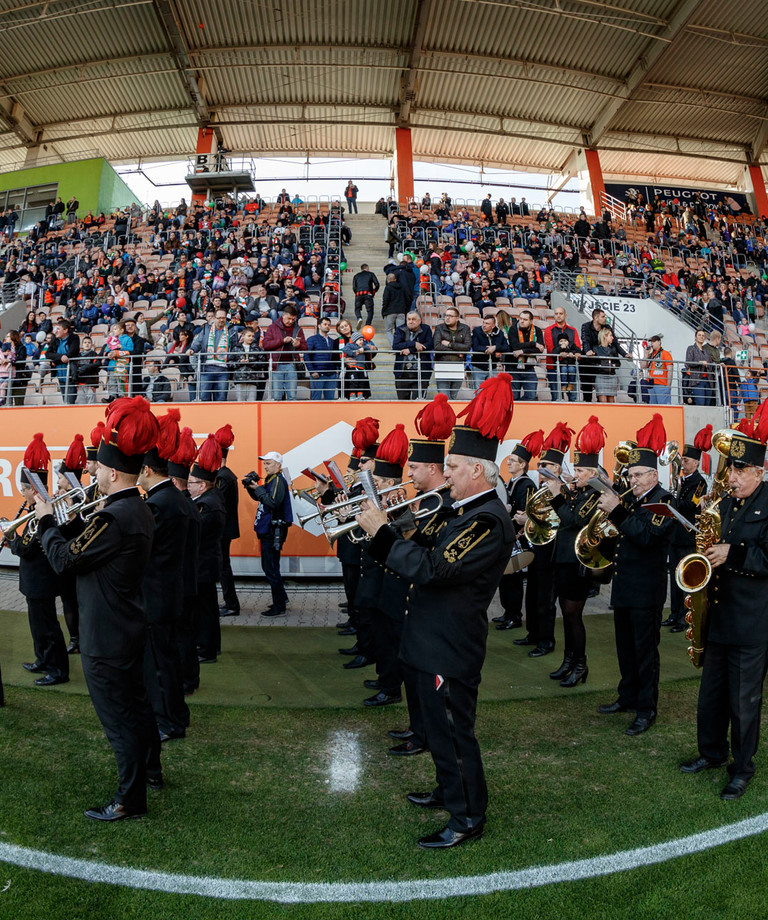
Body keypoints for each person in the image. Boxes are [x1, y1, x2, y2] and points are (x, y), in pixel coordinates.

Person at [356, 374, 515, 849]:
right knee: (439, 731)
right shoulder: (463, 510)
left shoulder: (486, 519)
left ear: (479, 473)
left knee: (453, 732)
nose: (445, 474)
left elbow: (432, 569)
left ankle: (467, 817)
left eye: (454, 466)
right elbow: (426, 546)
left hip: (450, 645)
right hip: (430, 641)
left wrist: (383, 533)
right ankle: (450, 791)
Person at [36, 397, 161, 820]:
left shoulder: (114, 516)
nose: (93, 474)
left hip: (105, 634)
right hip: (126, 626)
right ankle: (150, 771)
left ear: (110, 471)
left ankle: (130, 798)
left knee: (119, 720)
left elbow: (66, 560)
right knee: (137, 707)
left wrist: (47, 522)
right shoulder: (136, 508)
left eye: (97, 470)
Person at [680, 420, 768, 800]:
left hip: (751, 620)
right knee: (712, 694)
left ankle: (742, 766)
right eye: (730, 469)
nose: (731, 477)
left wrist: (734, 554)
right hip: (718, 613)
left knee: (743, 700)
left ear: (760, 471)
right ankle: (711, 752)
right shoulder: (725, 503)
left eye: (740, 470)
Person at [596, 414, 675, 735]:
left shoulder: (664, 501)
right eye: (630, 475)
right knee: (625, 648)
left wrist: (616, 510)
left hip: (647, 589)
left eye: (639, 475)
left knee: (645, 652)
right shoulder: (631, 500)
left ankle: (647, 708)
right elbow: (624, 535)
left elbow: (645, 537)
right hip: (625, 584)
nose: (633, 481)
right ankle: (627, 696)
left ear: (654, 474)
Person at [387, 396, 455, 755]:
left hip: (432, 602)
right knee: (412, 672)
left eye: (413, 467)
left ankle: (426, 735)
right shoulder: (427, 499)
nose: (409, 473)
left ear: (432, 468)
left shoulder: (442, 502)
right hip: (415, 600)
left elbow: (430, 550)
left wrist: (399, 529)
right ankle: (418, 728)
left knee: (426, 679)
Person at [137, 410, 191, 742]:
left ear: (145, 470)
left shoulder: (158, 503)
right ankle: (176, 715)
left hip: (156, 596)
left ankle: (169, 722)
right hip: (168, 593)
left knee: (160, 664)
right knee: (167, 660)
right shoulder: (172, 498)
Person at [544, 417, 607, 687]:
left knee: (573, 615)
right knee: (565, 613)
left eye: (581, 470)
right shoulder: (579, 493)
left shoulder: (594, 495)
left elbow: (572, 520)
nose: (576, 474)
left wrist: (558, 494)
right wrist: (566, 492)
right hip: (564, 559)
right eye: (577, 469)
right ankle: (569, 661)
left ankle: (580, 665)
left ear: (592, 474)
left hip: (577, 562)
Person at [7, 434, 69, 688]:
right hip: (35, 578)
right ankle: (42, 659)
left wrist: (10, 538)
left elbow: (28, 548)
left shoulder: (41, 510)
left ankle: (58, 669)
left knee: (47, 625)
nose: (21, 493)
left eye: (23, 489)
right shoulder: (36, 508)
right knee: (37, 623)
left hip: (41, 579)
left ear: (33, 488)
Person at [514, 423, 573, 659]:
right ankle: (534, 633)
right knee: (534, 593)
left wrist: (530, 517)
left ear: (557, 468)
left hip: (553, 550)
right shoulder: (541, 488)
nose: (541, 469)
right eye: (540, 465)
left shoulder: (565, 491)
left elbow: (563, 519)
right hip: (538, 546)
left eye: (546, 465)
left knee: (546, 597)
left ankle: (546, 640)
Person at [663, 428, 709, 633]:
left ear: (697, 463)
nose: (683, 463)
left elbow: (690, 505)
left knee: (684, 579)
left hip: (688, 536)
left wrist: (674, 497)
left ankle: (684, 618)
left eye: (688, 460)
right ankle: (674, 613)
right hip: (675, 536)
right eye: (683, 460)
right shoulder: (680, 480)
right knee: (674, 577)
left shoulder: (699, 482)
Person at [167, 427, 202, 696]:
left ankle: (187, 679)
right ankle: (188, 677)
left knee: (182, 635)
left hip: (181, 581)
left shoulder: (179, 506)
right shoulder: (188, 503)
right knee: (185, 634)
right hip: (187, 579)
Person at [494, 432, 541, 631]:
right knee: (506, 577)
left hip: (517, 537)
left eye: (513, 461)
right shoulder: (512, 482)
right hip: (508, 535)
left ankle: (514, 615)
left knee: (512, 578)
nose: (509, 463)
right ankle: (507, 612)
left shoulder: (526, 484)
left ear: (523, 465)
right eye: (509, 460)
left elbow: (526, 511)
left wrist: (510, 511)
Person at [188, 435, 226, 664]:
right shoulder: (208, 499)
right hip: (205, 563)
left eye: (191, 483)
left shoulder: (207, 504)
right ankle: (209, 646)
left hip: (204, 563)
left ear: (202, 485)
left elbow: (196, 533)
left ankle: (207, 649)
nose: (188, 485)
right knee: (206, 608)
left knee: (206, 610)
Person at [244, 451, 293, 617]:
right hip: (270, 530)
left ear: (278, 465)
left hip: (273, 531)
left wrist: (257, 488)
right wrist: (251, 487)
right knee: (271, 567)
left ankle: (279, 606)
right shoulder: (272, 480)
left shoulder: (278, 480)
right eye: (264, 463)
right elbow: (261, 497)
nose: (265, 466)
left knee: (271, 568)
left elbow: (272, 502)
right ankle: (282, 599)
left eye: (269, 463)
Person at [215, 425, 241, 619]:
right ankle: (229, 602)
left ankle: (231, 604)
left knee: (224, 567)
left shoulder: (223, 477)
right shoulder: (226, 476)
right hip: (225, 528)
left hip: (223, 529)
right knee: (224, 566)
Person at [261, 305, 308, 401]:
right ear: (283, 315)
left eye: (293, 319)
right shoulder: (272, 327)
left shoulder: (298, 329)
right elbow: (265, 345)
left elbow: (305, 347)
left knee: (292, 395)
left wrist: (298, 345)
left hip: (291, 364)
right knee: (277, 396)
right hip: (276, 365)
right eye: (289, 318)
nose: (291, 321)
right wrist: (282, 341)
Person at [190, 307, 232, 402]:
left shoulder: (231, 331)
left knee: (221, 399)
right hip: (206, 369)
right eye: (219, 317)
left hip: (223, 369)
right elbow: (198, 343)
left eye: (223, 318)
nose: (221, 320)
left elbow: (234, 347)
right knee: (204, 398)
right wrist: (192, 349)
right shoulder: (206, 330)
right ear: (214, 318)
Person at [392, 311, 433, 400]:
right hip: (402, 372)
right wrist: (414, 343)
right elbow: (395, 345)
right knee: (402, 403)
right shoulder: (400, 329)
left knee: (419, 403)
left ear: (419, 321)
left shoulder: (426, 329)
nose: (411, 321)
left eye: (414, 319)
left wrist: (410, 350)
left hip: (421, 372)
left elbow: (429, 345)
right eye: (409, 319)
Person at [543, 306, 581, 401]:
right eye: (556, 314)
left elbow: (577, 347)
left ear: (565, 315)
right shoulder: (548, 330)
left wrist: (570, 354)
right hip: (553, 367)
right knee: (556, 397)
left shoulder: (573, 330)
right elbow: (550, 349)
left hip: (570, 365)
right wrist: (562, 353)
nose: (558, 316)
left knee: (573, 397)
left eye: (561, 313)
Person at [433, 306, 471, 398]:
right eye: (446, 315)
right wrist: (457, 352)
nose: (447, 318)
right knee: (444, 396)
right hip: (442, 364)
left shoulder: (465, 328)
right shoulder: (439, 328)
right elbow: (437, 346)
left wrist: (449, 344)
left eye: (450, 316)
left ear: (457, 318)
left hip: (458, 365)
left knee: (453, 396)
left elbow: (467, 347)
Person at [508, 309, 544, 401]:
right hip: (513, 368)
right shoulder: (513, 329)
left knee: (531, 396)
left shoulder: (537, 330)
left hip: (529, 368)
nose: (522, 321)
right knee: (513, 397)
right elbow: (515, 347)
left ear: (531, 321)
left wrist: (523, 351)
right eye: (520, 319)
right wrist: (533, 344)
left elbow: (540, 350)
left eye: (525, 319)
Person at [305, 316, 340, 400]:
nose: (327, 326)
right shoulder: (312, 339)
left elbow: (336, 356)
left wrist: (337, 368)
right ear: (319, 326)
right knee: (316, 400)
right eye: (325, 324)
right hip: (318, 375)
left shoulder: (333, 341)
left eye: (329, 325)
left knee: (330, 400)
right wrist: (312, 371)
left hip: (331, 374)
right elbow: (306, 356)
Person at [470, 313, 508, 390]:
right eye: (483, 322)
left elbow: (506, 347)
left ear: (493, 326)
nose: (484, 325)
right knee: (479, 392)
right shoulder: (476, 331)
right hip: (478, 367)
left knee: (492, 391)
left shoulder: (499, 333)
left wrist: (495, 347)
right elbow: (475, 347)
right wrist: (489, 350)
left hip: (493, 367)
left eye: (487, 323)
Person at [49, 318, 80, 405]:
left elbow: (73, 351)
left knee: (70, 402)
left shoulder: (74, 338)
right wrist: (61, 357)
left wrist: (64, 357)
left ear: (65, 330)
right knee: (65, 401)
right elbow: (48, 353)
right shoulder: (55, 339)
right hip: (60, 374)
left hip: (70, 374)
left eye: (58, 329)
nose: (56, 331)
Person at [580, 307, 607, 403]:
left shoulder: (606, 328)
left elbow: (615, 342)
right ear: (596, 318)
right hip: (587, 362)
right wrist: (588, 351)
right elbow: (585, 340)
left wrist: (625, 354)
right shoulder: (585, 326)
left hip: (600, 362)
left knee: (601, 392)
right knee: (587, 390)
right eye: (603, 317)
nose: (605, 319)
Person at [594, 326, 623, 404]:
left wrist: (611, 365)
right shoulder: (596, 349)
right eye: (610, 335)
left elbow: (618, 364)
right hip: (601, 376)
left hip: (612, 376)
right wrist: (601, 365)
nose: (612, 337)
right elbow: (592, 362)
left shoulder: (613, 349)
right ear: (605, 336)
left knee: (611, 401)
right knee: (603, 401)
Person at [684, 329, 712, 406]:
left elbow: (710, 363)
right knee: (700, 403)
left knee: (707, 404)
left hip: (708, 380)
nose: (701, 337)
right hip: (697, 380)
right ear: (695, 337)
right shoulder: (691, 348)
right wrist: (700, 363)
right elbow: (688, 362)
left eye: (703, 336)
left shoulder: (706, 351)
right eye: (699, 335)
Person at [381, 272, 408, 345]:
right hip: (401, 311)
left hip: (390, 312)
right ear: (395, 279)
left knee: (389, 330)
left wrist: (383, 311)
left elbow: (385, 300)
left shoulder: (388, 288)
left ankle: (394, 346)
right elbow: (406, 299)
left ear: (387, 280)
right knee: (400, 330)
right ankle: (400, 345)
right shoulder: (402, 287)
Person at [645, 335, 673, 405]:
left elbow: (670, 369)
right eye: (651, 341)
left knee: (663, 408)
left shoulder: (665, 353)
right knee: (653, 408)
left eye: (654, 341)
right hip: (651, 385)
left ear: (659, 342)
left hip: (662, 384)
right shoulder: (650, 355)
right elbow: (643, 366)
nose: (652, 343)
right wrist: (646, 354)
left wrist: (668, 386)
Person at [352, 264, 379, 329]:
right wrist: (374, 291)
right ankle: (367, 325)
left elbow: (354, 287)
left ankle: (359, 318)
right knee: (370, 311)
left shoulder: (356, 276)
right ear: (367, 268)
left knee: (357, 309)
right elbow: (377, 284)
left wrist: (357, 293)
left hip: (359, 294)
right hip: (368, 294)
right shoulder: (371, 274)